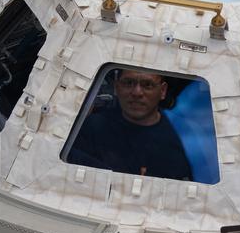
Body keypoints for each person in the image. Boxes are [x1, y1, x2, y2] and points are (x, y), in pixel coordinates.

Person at [65, 69, 193, 180]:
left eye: (147, 85)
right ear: (116, 87)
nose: (137, 93)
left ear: (163, 91)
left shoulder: (173, 149)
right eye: (128, 83)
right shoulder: (92, 126)